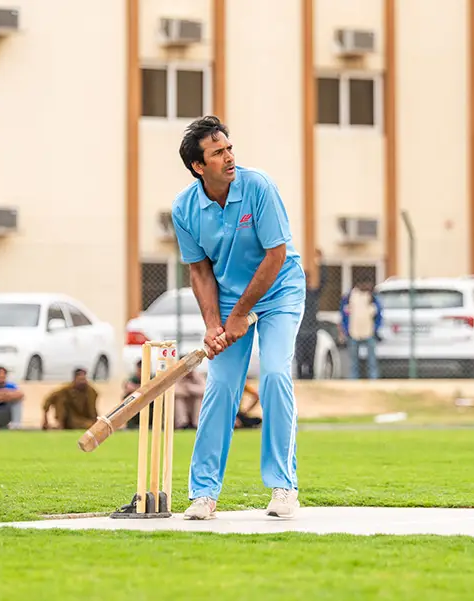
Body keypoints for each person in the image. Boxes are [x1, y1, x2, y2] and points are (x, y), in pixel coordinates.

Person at [171, 116, 306, 521]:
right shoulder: (184, 208)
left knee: (275, 375)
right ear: (199, 166)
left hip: (279, 290)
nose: (229, 157)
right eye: (218, 153)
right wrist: (214, 324)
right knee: (221, 387)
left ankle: (284, 486)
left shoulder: (258, 186)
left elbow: (276, 255)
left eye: (229, 148)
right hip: (230, 297)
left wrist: (241, 314)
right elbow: (199, 271)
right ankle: (204, 493)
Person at [339, 278, 382, 380]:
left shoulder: (372, 298)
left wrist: (375, 328)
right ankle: (353, 380)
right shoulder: (349, 297)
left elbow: (378, 314)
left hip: (369, 332)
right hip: (353, 332)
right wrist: (346, 329)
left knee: (372, 360)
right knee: (353, 361)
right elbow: (343, 314)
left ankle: (373, 379)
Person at [295, 249, 326, 379]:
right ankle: (300, 379)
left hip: (311, 330)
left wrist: (321, 263)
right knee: (299, 359)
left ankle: (310, 378)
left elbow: (324, 282)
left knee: (311, 359)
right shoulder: (295, 296)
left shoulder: (313, 294)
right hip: (300, 331)